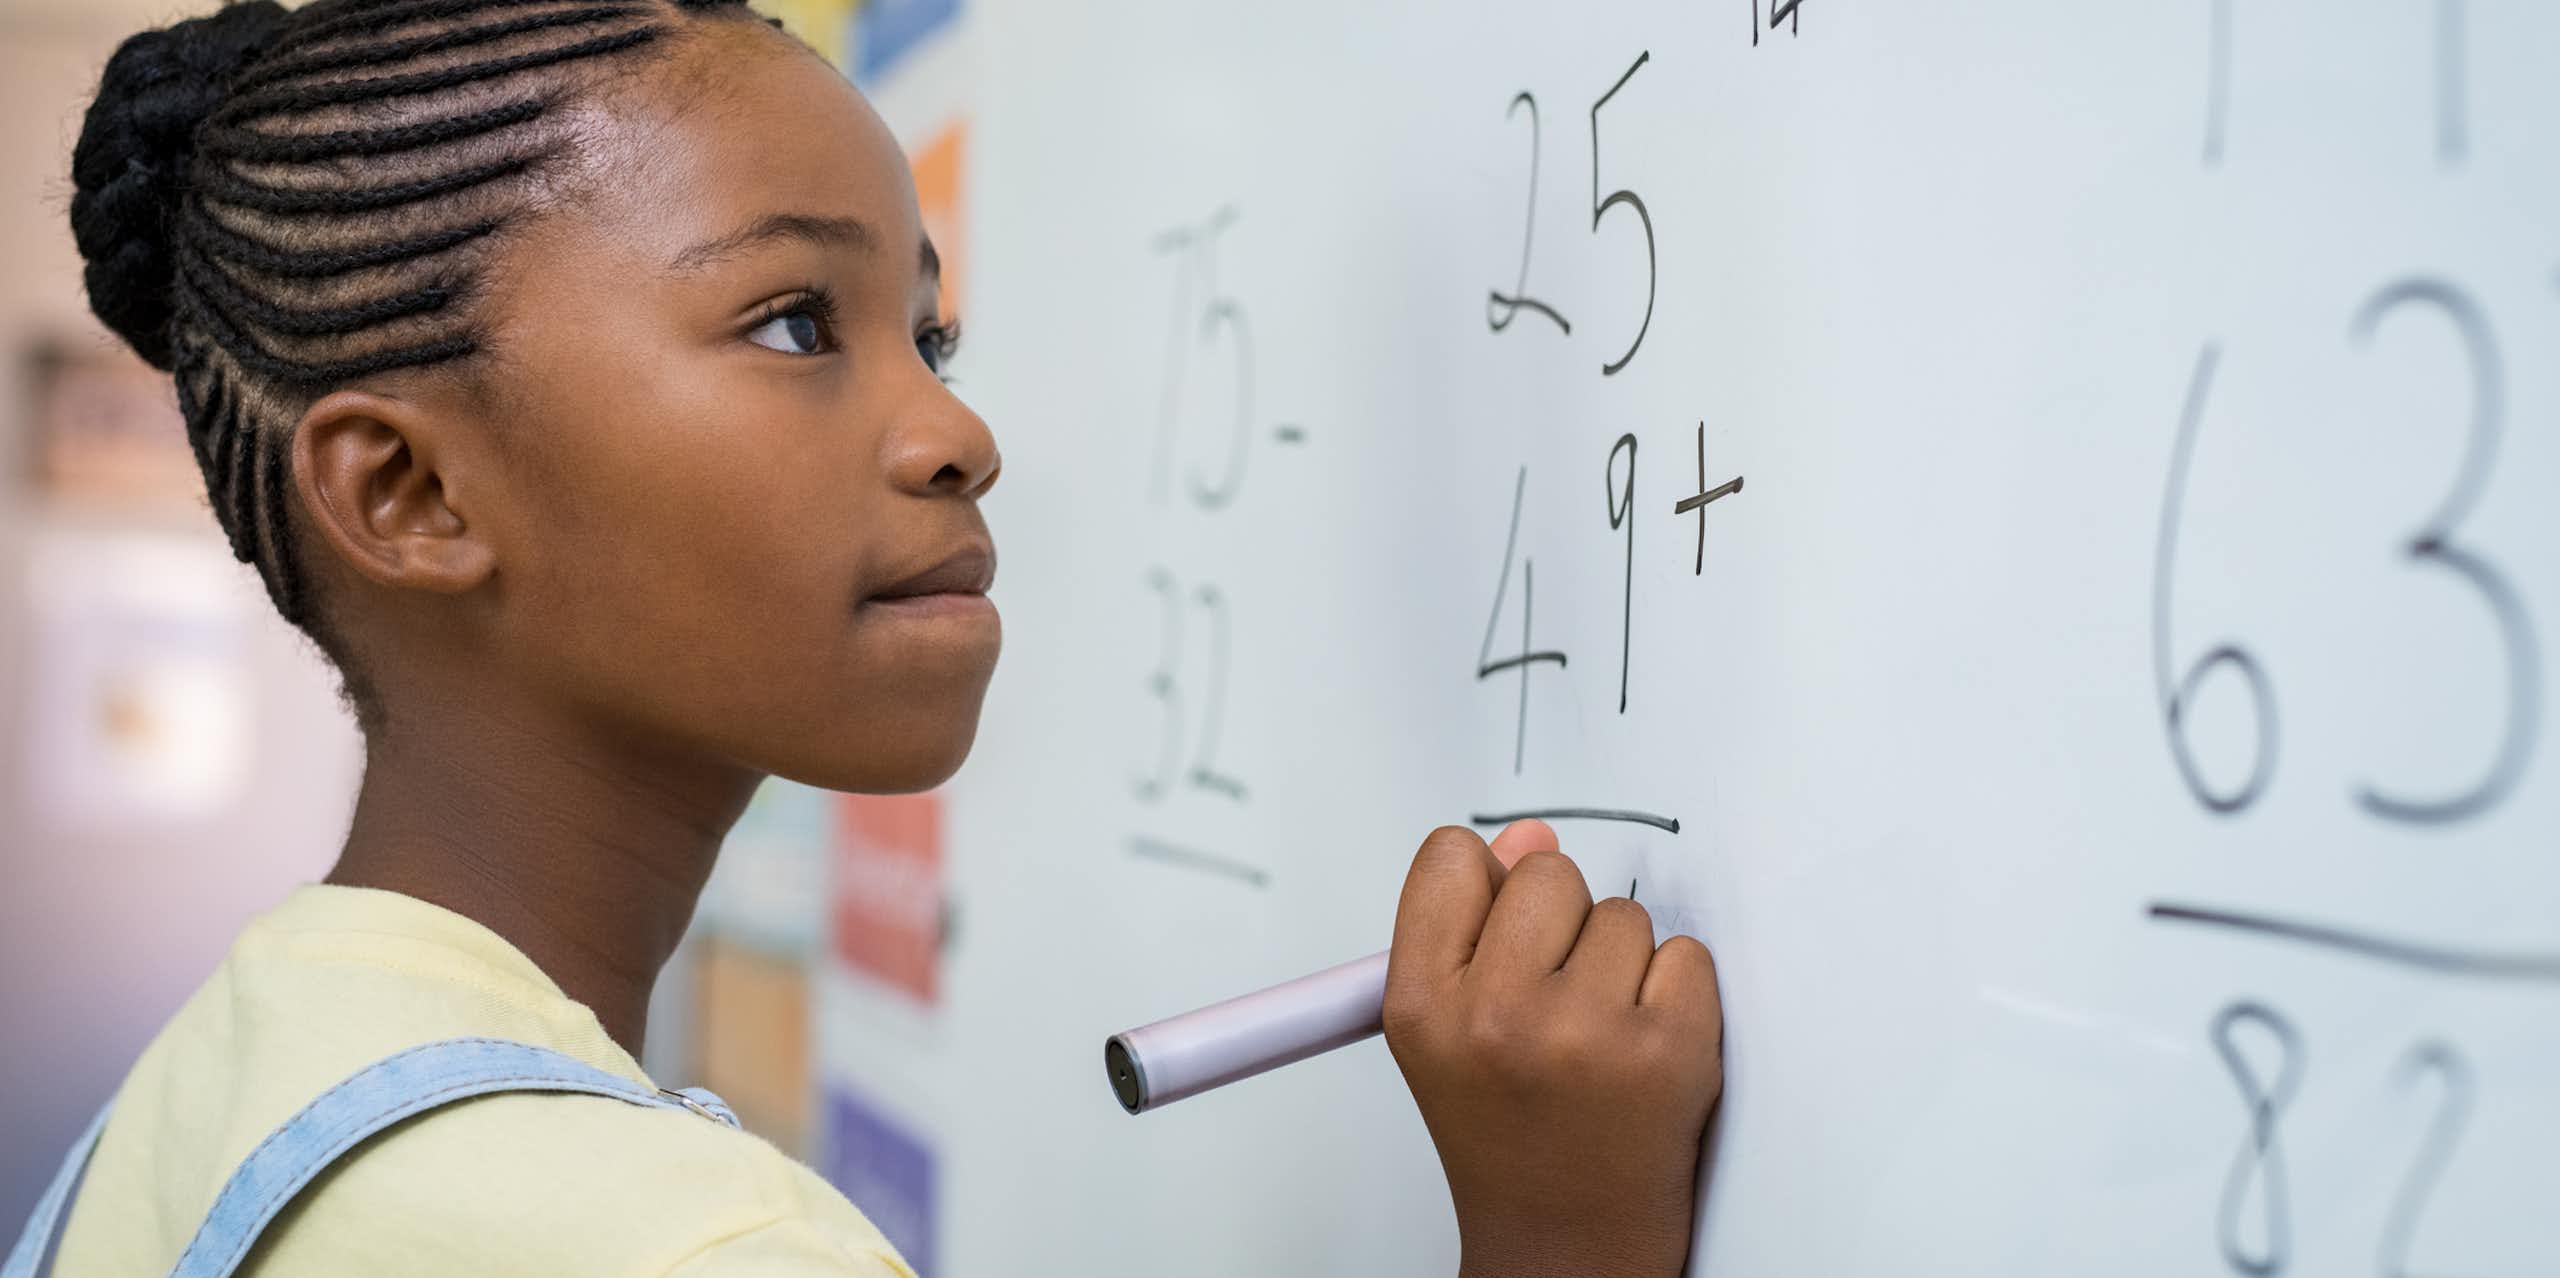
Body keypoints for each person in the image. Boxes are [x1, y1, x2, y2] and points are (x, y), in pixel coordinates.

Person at [16, 0, 1726, 1273]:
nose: (955, 434)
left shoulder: (228, 1067)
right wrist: (1560, 1231)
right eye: (791, 322)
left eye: (932, 336)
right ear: (407, 492)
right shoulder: (680, 1247)